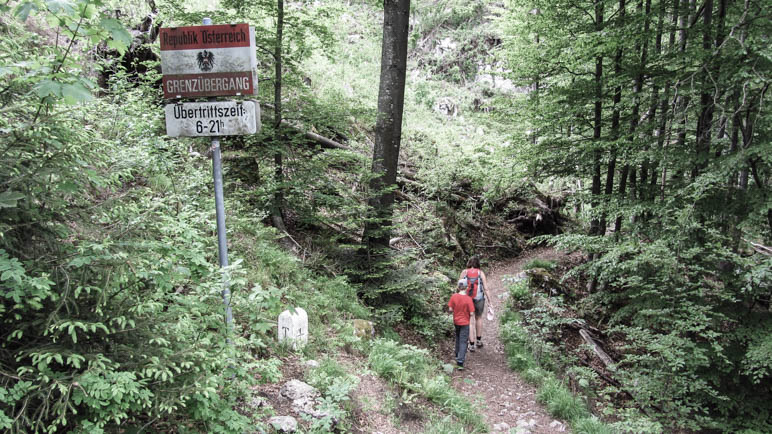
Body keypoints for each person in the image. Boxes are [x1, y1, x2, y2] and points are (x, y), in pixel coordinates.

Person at [459, 256, 489, 352]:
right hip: (479, 298)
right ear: (477, 264)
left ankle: (471, 345)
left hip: (467, 299)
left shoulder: (464, 272)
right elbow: (486, 288)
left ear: (469, 263)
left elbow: (459, 286)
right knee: (479, 317)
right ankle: (479, 341)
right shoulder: (481, 273)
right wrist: (490, 301)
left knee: (469, 320)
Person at [448, 280, 475, 370]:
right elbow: (471, 313)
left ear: (458, 287)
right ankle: (460, 362)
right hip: (465, 323)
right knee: (463, 341)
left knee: (458, 337)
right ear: (466, 287)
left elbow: (450, 309)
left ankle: (457, 354)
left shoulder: (454, 296)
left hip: (456, 321)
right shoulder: (468, 299)